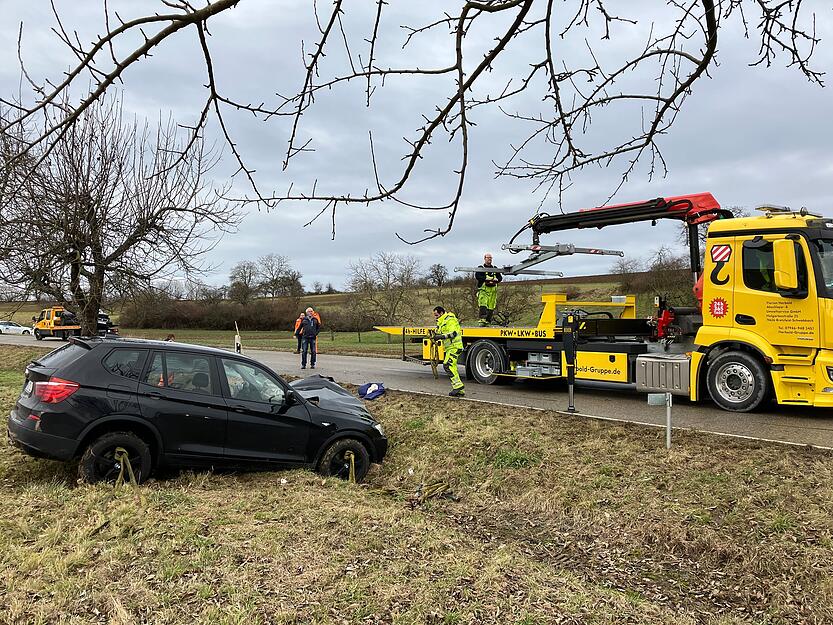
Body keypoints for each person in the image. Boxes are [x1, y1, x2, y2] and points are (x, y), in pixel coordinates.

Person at [432, 306, 465, 397]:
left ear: (442, 313)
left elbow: (453, 333)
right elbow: (439, 332)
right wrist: (435, 335)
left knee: (448, 365)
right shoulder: (441, 322)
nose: (436, 317)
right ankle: (460, 390)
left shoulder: (450, 319)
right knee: (451, 366)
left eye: (436, 315)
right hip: (449, 348)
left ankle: (458, 387)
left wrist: (440, 337)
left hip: (455, 347)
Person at [475, 252, 502, 326]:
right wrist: (485, 278)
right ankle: (482, 319)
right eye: (488, 257)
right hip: (484, 290)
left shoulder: (495, 269)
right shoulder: (481, 268)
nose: (490, 259)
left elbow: (500, 278)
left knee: (491, 306)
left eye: (491, 258)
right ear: (484, 259)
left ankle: (488, 321)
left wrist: (497, 279)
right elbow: (477, 276)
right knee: (483, 304)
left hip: (493, 291)